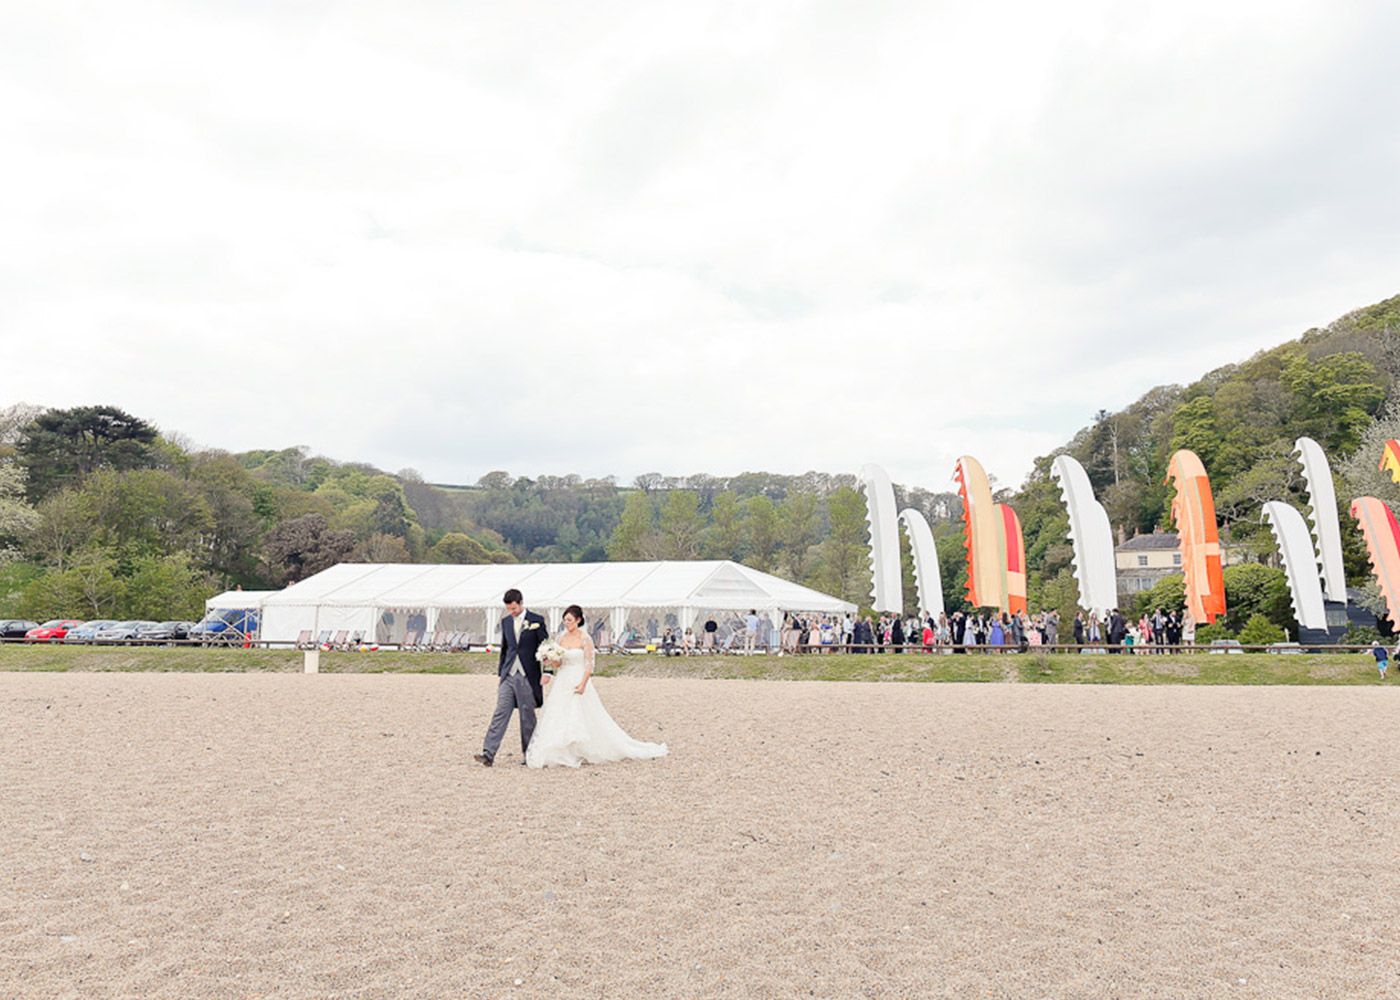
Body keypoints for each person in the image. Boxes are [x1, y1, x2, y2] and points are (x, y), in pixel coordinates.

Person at [527, 605, 668, 768]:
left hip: (578, 677)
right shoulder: (561, 639)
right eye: (565, 620)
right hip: (563, 679)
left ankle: (582, 748)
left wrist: (583, 684)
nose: (566, 623)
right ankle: (562, 749)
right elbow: (559, 663)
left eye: (570, 620)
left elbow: (589, 665)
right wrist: (549, 659)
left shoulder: (585, 638)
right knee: (560, 712)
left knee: (581, 713)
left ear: (578, 620)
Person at [475, 589, 549, 767]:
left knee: (527, 717)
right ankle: (488, 753)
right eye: (509, 609)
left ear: (521, 602)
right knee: (500, 712)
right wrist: (501, 672)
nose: (512, 612)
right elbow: (506, 649)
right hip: (508, 674)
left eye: (514, 608)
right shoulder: (506, 622)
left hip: (527, 675)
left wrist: (547, 671)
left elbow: (547, 647)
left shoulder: (537, 621)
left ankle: (530, 754)